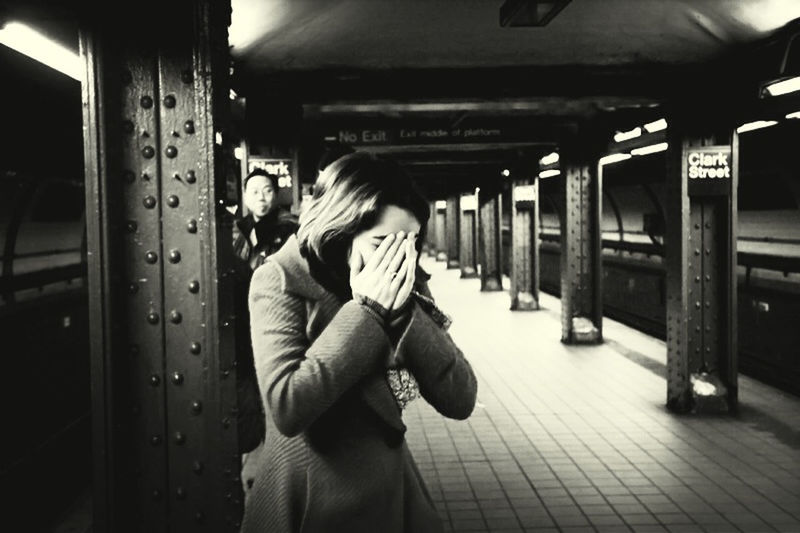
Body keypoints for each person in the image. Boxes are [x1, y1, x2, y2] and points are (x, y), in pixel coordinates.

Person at [241, 152, 477, 532]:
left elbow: (460, 397)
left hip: (387, 493)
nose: (399, 259)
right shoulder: (280, 279)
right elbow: (288, 405)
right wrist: (367, 312)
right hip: (309, 498)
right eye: (382, 242)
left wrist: (404, 315)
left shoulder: (405, 278)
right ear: (340, 232)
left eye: (411, 242)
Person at [232, 169, 299, 462]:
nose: (261, 197)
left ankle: (278, 446)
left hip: (276, 315)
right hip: (241, 318)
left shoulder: (290, 229)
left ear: (276, 195)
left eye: (268, 190)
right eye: (255, 191)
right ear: (245, 196)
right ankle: (253, 441)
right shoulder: (233, 230)